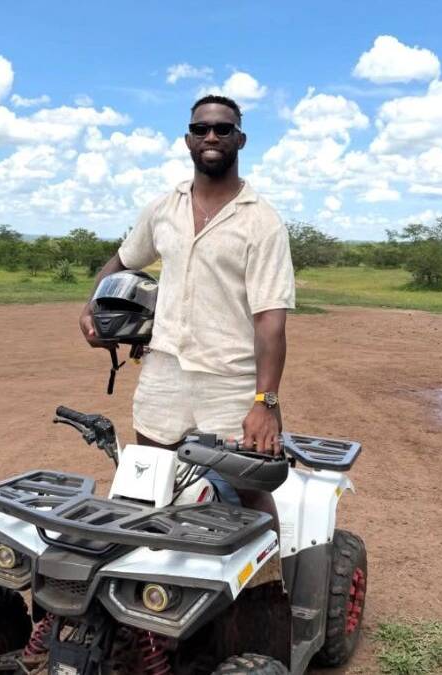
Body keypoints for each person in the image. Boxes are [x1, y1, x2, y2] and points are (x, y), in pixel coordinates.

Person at [78, 95, 295, 514]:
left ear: (240, 140)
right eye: (201, 129)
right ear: (188, 139)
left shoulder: (261, 221)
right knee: (150, 486)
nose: (211, 136)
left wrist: (265, 403)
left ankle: (274, 563)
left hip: (231, 379)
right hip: (164, 372)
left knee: (250, 493)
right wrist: (90, 306)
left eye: (223, 129)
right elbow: (124, 259)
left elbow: (270, 320)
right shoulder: (164, 208)